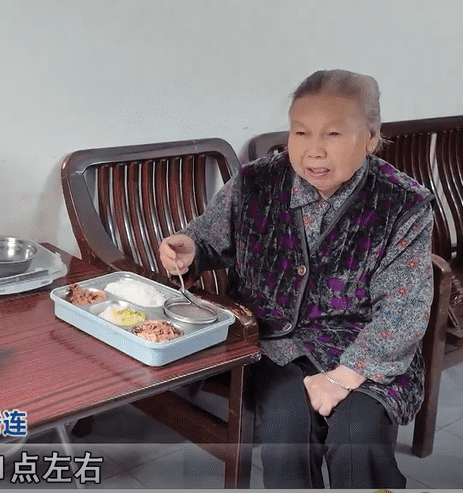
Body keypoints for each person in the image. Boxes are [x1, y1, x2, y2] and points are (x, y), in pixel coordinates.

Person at [159, 70, 433, 489]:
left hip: (364, 350)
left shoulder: (402, 204)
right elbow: (209, 236)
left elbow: (404, 309)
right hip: (273, 344)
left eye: (334, 134)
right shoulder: (256, 181)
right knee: (286, 426)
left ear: (371, 138)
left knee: (359, 435)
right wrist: (189, 248)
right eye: (301, 133)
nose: (314, 151)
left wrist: (342, 377)